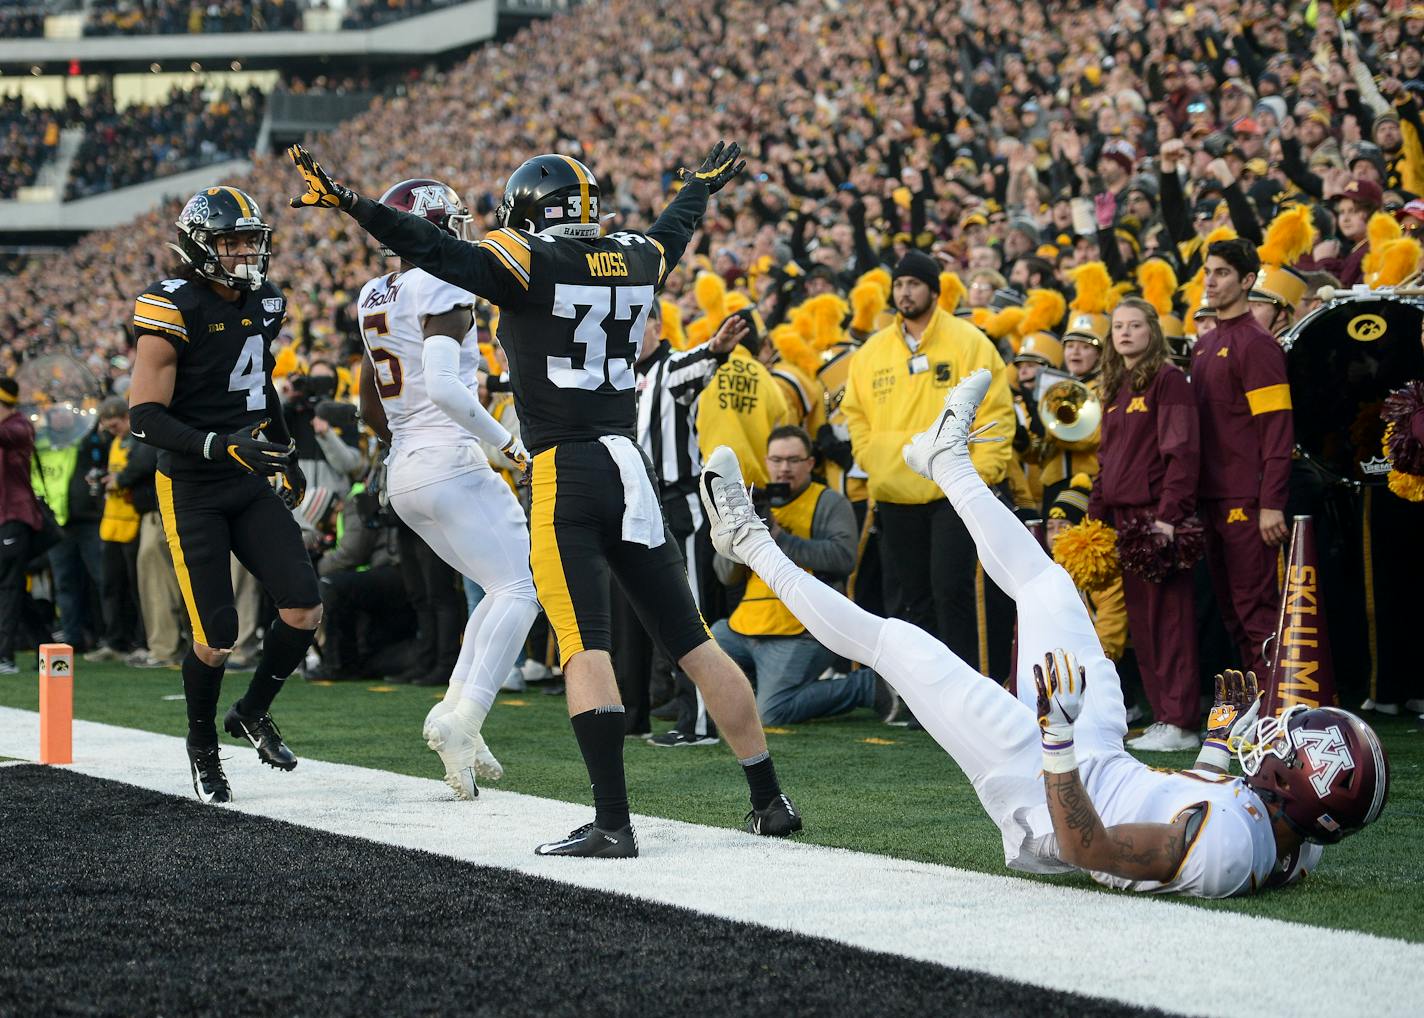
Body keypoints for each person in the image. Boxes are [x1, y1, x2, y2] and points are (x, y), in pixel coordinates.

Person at [289, 140, 802, 856]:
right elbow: (671, 233)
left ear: (530, 213)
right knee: (692, 642)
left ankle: (613, 823)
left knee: (582, 644)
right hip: (631, 465)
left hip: (564, 467)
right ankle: (769, 798)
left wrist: (352, 204)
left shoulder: (526, 258)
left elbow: (434, 250)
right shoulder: (632, 256)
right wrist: (695, 190)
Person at [699, 370, 1390, 898]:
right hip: (1101, 759)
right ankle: (948, 461)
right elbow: (1201, 807)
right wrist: (1213, 747)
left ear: (1299, 787)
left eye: (1288, 749)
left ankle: (746, 537)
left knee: (898, 645)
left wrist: (1055, 737)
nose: (1275, 738)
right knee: (1050, 587)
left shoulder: (1231, 852)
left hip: (1046, 784)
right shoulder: (1292, 836)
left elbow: (1087, 847)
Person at [126, 185, 322, 803]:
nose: (243, 254)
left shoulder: (265, 301)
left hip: (246, 472)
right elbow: (144, 417)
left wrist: (283, 454)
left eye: (249, 241)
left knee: (303, 607)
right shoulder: (170, 304)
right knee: (215, 638)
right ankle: (202, 745)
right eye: (230, 242)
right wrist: (217, 446)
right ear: (198, 246)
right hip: (192, 484)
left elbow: (261, 389)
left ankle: (253, 711)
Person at [353, 176, 540, 799]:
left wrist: (409, 443)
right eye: (451, 223)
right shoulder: (442, 279)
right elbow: (443, 385)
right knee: (523, 586)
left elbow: (371, 407)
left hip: (405, 467)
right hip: (448, 457)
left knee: (497, 586)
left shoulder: (374, 294)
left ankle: (457, 712)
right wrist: (509, 445)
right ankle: (466, 716)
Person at [840, 250, 1015, 677]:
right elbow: (854, 412)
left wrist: (980, 475)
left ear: (935, 291)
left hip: (951, 490)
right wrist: (873, 459)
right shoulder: (872, 351)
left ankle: (969, 689)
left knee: (952, 590)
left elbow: (996, 410)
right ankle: (928, 693)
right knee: (912, 596)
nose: (905, 291)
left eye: (914, 283)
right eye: (899, 284)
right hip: (895, 491)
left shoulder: (969, 340)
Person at [712, 425, 885, 725]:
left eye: (793, 460)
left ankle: (866, 685)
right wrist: (740, 533)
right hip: (745, 625)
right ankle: (761, 685)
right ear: (766, 462)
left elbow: (844, 560)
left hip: (803, 630)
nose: (784, 468)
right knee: (697, 651)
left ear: (810, 463)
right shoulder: (755, 501)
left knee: (770, 713)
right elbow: (726, 575)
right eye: (777, 460)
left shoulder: (829, 501)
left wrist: (777, 537)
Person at [1090, 299, 1201, 751]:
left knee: (1169, 620)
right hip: (1122, 518)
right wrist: (1095, 515)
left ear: (1152, 331)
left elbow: (1183, 454)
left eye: (1135, 325)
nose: (1126, 333)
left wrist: (1168, 518)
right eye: (1118, 326)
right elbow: (1106, 459)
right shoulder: (1116, 385)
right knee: (1143, 623)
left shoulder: (1169, 381)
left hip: (1156, 517)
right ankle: (1163, 717)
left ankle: (1182, 720)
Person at [1192, 239, 1291, 680]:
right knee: (1231, 610)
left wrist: (1271, 501)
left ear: (1248, 280)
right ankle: (1256, 705)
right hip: (1210, 497)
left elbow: (1277, 430)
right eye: (1209, 272)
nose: (1211, 281)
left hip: (1247, 501)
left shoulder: (1258, 344)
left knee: (1257, 609)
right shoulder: (1206, 343)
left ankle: (1279, 715)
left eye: (1223, 273)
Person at [86, 397, 144, 662]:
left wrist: (118, 479)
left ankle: (140, 641)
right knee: (111, 585)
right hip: (112, 521)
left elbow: (139, 469)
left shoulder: (140, 441)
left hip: (134, 520)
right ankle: (115, 640)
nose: (112, 431)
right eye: (108, 427)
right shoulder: (115, 443)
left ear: (127, 418)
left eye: (115, 425)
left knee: (137, 587)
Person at [1, 376, 44, 674]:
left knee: (8, 586)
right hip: (5, 518)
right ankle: (45, 642)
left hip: (16, 518)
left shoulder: (19, 426)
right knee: (12, 586)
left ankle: (5, 657)